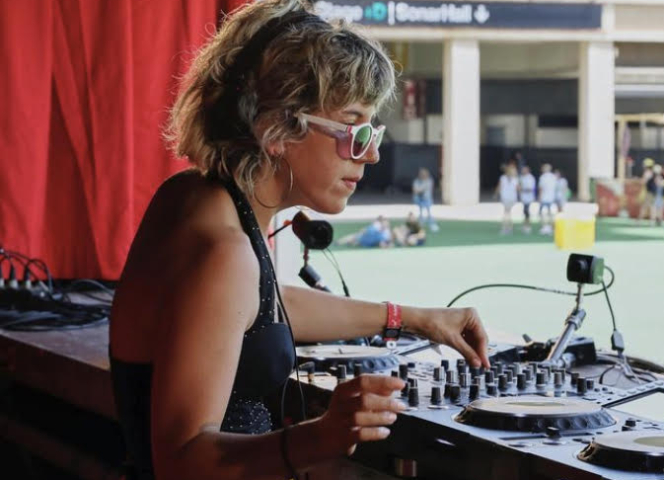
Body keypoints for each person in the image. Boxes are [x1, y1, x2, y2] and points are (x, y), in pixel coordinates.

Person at [108, 2, 491, 480]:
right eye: (352, 129)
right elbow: (179, 461)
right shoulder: (223, 250)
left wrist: (414, 318)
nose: (370, 154)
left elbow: (259, 306)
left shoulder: (196, 197)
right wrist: (319, 436)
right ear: (277, 128)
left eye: (373, 131)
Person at [412, 167, 439, 232]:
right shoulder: (416, 181)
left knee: (429, 213)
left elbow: (423, 189)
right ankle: (420, 226)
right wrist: (418, 190)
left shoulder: (429, 181)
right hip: (419, 199)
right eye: (421, 174)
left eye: (424, 174)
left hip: (427, 199)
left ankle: (432, 225)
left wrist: (418, 190)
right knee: (421, 213)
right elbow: (415, 190)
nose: (423, 175)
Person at [495, 163, 519, 235]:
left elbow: (499, 187)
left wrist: (496, 194)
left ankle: (505, 228)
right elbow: (518, 189)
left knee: (506, 213)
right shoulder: (515, 179)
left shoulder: (503, 178)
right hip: (511, 198)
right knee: (508, 212)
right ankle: (508, 228)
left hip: (507, 197)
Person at [537, 163, 557, 234]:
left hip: (544, 198)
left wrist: (539, 198)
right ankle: (552, 228)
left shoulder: (543, 177)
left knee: (542, 213)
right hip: (552, 197)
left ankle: (545, 227)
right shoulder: (553, 177)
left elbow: (541, 189)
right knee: (550, 214)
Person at [518, 166, 536, 234]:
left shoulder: (530, 178)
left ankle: (528, 226)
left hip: (528, 198)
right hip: (524, 198)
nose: (522, 171)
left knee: (526, 212)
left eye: (524, 170)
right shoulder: (522, 177)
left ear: (527, 170)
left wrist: (521, 189)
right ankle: (525, 225)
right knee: (525, 212)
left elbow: (530, 189)